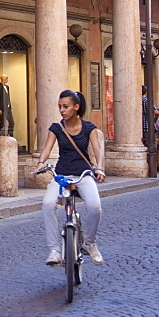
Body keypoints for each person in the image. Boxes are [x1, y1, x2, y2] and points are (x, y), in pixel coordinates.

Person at [35, 90, 105, 266]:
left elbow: (98, 151)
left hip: (83, 174)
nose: (62, 110)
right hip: (61, 175)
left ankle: (89, 243)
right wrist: (41, 162)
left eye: (65, 106)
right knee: (48, 204)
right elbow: (46, 149)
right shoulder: (56, 128)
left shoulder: (89, 128)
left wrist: (100, 168)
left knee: (95, 206)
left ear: (76, 107)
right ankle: (54, 250)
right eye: (60, 107)